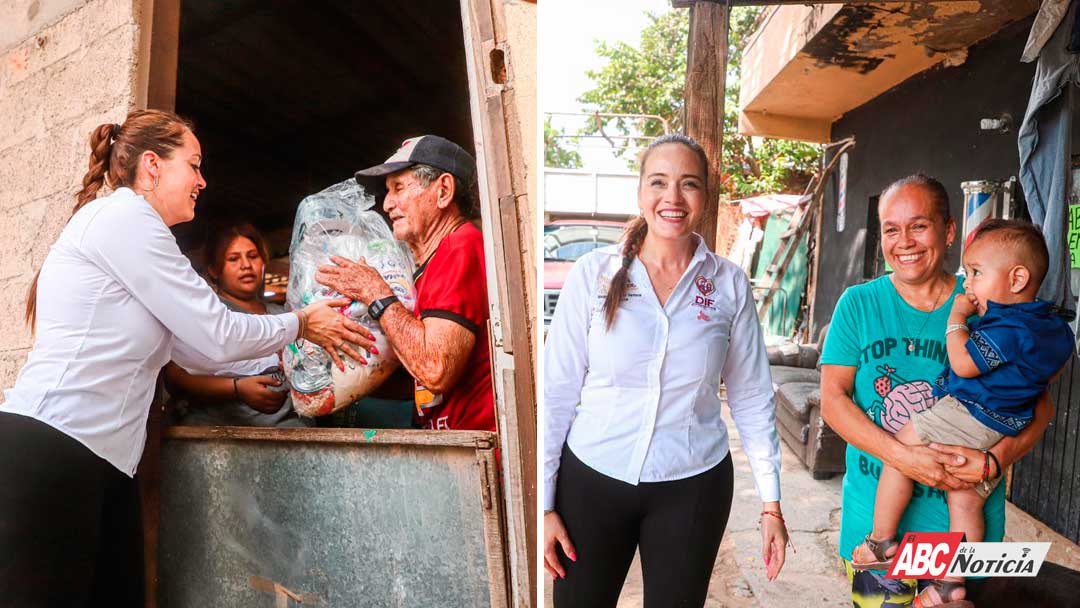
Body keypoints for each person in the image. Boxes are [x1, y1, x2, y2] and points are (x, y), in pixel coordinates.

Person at [0, 110, 372, 605]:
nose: (202, 180)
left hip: (107, 460)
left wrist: (302, 351)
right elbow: (217, 335)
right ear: (152, 166)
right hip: (54, 447)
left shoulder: (141, 236)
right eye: (194, 165)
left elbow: (198, 352)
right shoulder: (126, 219)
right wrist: (301, 324)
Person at [542, 134, 788, 607]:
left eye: (688, 183)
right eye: (658, 182)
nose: (672, 197)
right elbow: (557, 393)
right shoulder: (592, 274)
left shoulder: (728, 283)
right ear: (640, 192)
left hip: (692, 485)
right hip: (591, 477)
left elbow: (752, 396)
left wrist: (771, 504)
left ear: (705, 196)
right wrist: (545, 506)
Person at [820, 175, 1057, 608]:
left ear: (949, 231)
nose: (904, 242)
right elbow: (833, 402)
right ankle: (881, 542)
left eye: (919, 225)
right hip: (873, 529)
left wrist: (993, 461)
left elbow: (1040, 409)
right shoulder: (858, 304)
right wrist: (903, 457)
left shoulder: (987, 302)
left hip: (962, 541)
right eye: (891, 229)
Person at [315, 135, 495, 432]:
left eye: (398, 187)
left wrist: (375, 292)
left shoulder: (460, 247)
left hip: (477, 446)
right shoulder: (431, 263)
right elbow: (417, 377)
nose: (387, 204)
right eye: (388, 191)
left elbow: (434, 370)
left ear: (443, 191)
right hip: (450, 442)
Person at [165, 222, 312, 428]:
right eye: (233, 259)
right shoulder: (207, 313)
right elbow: (175, 375)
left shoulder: (284, 315)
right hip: (220, 433)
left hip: (288, 427)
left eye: (253, 256)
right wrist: (236, 388)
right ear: (214, 270)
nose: (246, 265)